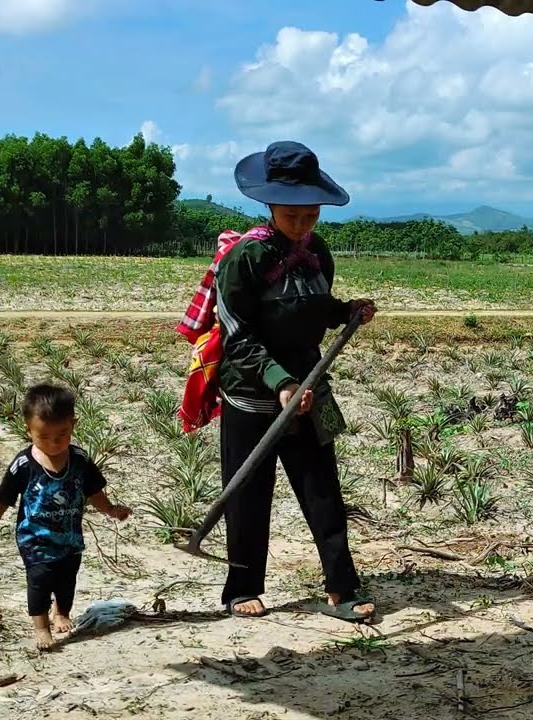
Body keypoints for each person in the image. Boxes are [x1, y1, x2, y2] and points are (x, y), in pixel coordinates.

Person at [216, 140, 378, 622]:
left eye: (312, 215)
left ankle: (342, 586)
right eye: (293, 216)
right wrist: (279, 382)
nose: (304, 225)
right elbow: (237, 335)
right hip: (252, 393)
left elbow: (313, 306)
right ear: (269, 206)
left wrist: (345, 312)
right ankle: (242, 585)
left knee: (322, 488)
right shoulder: (244, 259)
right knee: (249, 492)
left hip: (311, 387)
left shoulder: (318, 253)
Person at [0, 383, 132, 649]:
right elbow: (5, 494)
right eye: (44, 436)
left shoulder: (80, 460)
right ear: (29, 431)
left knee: (67, 578)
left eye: (62, 435)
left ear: (73, 424)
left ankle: (61, 611)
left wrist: (110, 509)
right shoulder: (24, 464)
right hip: (34, 538)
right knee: (39, 579)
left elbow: (94, 491)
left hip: (70, 537)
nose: (54, 443)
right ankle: (41, 628)